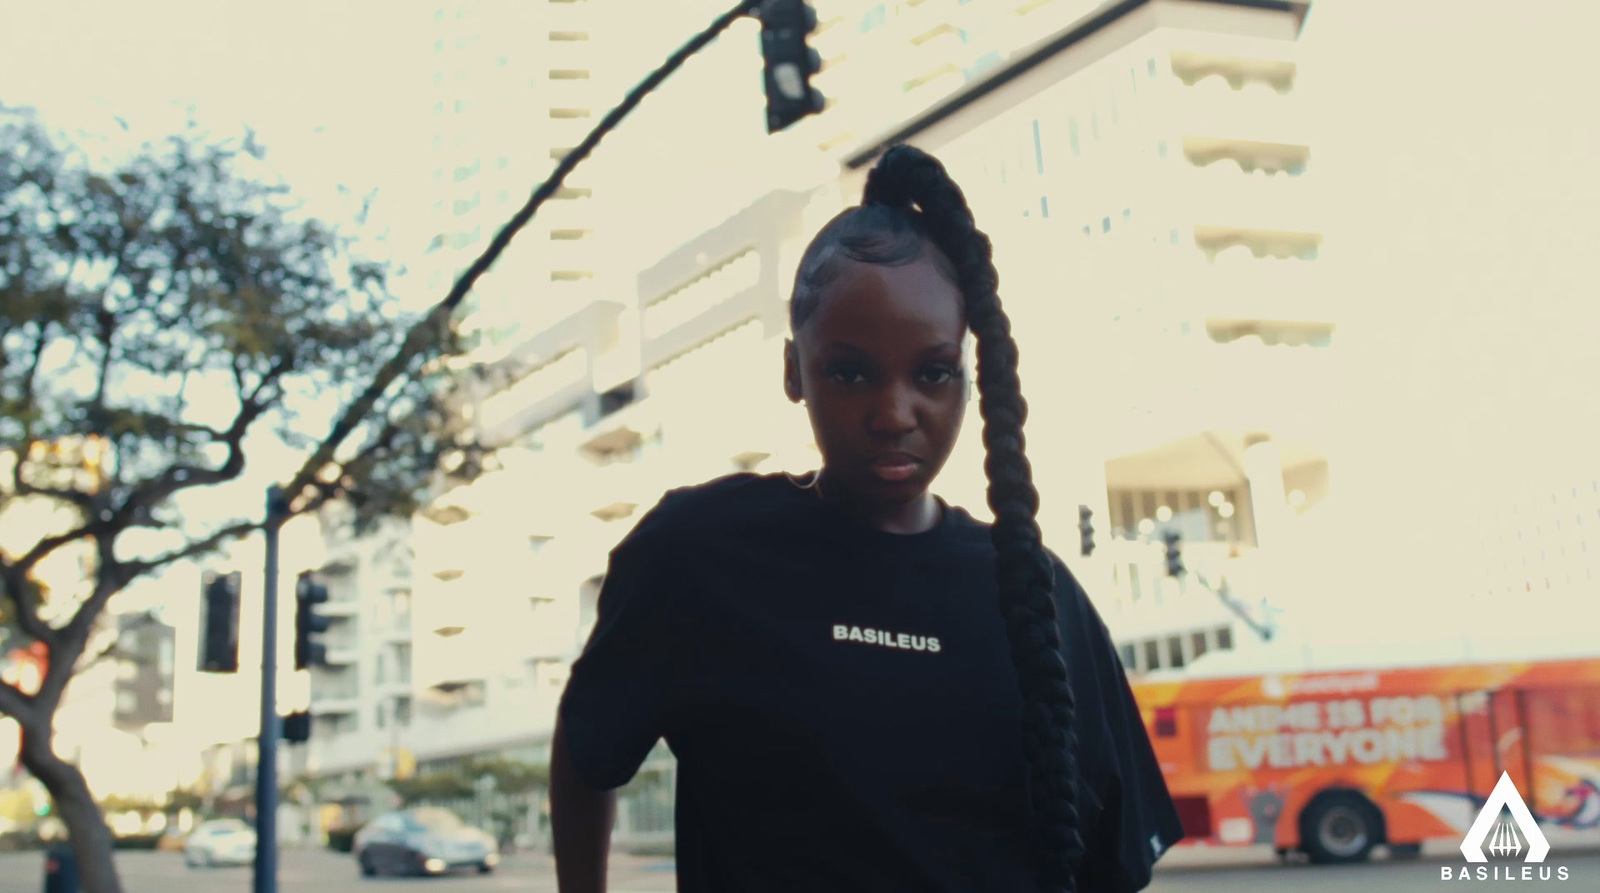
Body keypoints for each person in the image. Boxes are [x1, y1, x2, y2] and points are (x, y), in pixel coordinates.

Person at [550, 144, 1184, 892]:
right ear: (794, 370)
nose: (893, 414)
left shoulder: (1041, 597)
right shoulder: (699, 552)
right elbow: (587, 753)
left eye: (932, 373)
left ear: (968, 378)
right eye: (850, 371)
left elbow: (1112, 861)